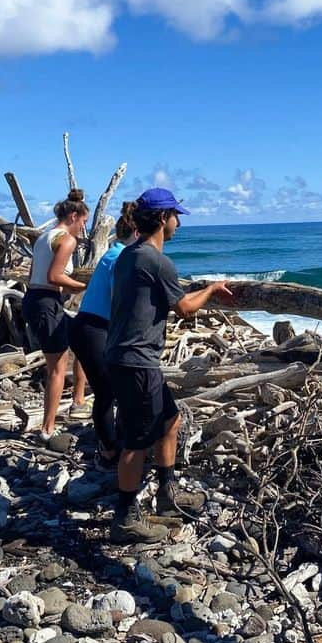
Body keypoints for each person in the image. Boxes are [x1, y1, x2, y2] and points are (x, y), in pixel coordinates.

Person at [105, 188, 233, 543]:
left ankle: (166, 492)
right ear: (163, 218)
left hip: (125, 356)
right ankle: (126, 517)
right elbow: (185, 307)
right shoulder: (155, 259)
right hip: (137, 360)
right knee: (135, 440)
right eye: (176, 215)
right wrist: (211, 289)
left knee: (170, 420)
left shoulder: (129, 255)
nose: (178, 222)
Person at [69, 201, 138, 469]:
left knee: (110, 391)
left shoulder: (114, 253)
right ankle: (109, 451)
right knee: (107, 392)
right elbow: (121, 299)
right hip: (94, 329)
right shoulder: (120, 258)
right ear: (136, 234)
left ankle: (112, 443)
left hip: (92, 327)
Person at [22, 189, 90, 440]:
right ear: (73, 216)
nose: (84, 228)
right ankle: (48, 428)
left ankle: (78, 400)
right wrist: (84, 286)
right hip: (46, 302)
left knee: (81, 342)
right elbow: (54, 276)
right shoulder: (67, 240)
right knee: (56, 368)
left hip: (34, 299)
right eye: (83, 222)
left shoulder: (43, 238)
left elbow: (33, 275)